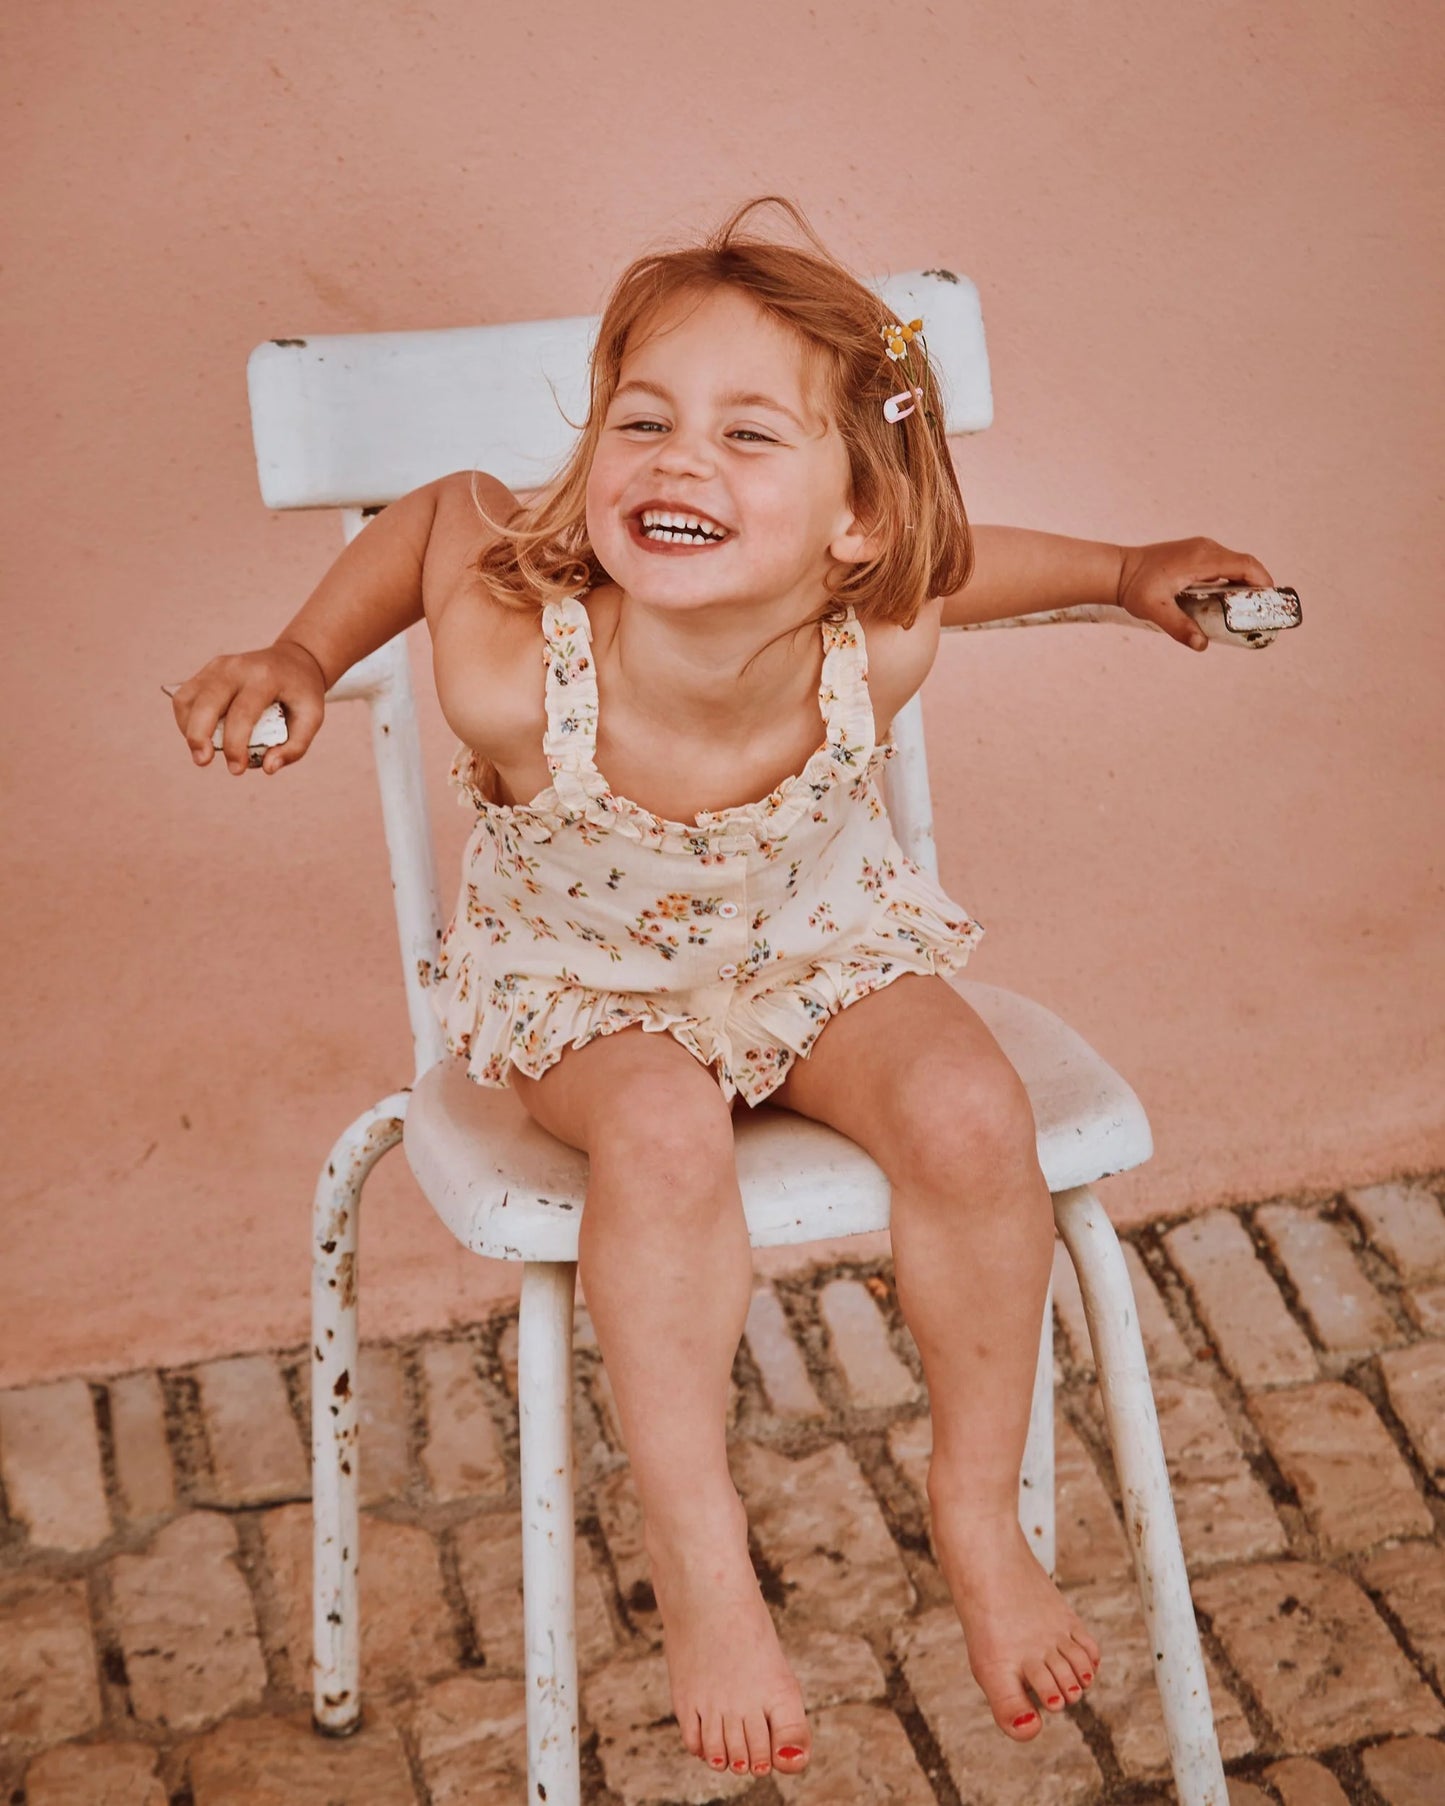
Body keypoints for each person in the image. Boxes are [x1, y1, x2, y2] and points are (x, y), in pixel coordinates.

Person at [171, 196, 1274, 1783]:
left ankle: (973, 1511)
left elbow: (972, 566)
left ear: (854, 525)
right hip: (586, 991)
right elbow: (431, 519)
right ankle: (702, 1557)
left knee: (973, 1109)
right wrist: (295, 650)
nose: (675, 460)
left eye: (748, 435)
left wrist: (1121, 569)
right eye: (642, 419)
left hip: (814, 955)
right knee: (670, 1131)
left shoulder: (877, 629)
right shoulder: (510, 659)